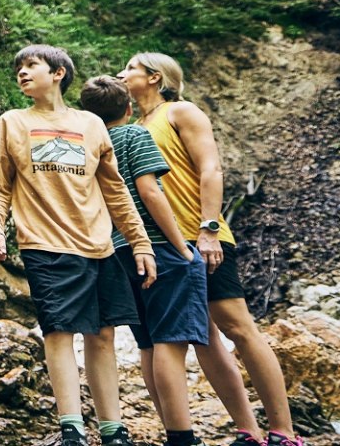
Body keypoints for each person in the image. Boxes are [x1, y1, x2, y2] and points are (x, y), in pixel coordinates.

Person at [117, 53, 303, 446]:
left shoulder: (180, 112)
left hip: (202, 238)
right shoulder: (133, 127)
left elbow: (210, 168)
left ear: (154, 77)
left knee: (238, 326)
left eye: (129, 68)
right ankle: (248, 431)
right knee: (203, 336)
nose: (121, 73)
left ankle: (284, 433)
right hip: (166, 249)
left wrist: (210, 228)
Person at [0, 45, 155, 446]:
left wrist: (141, 244)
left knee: (104, 335)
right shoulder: (13, 122)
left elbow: (115, 190)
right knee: (59, 331)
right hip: (44, 243)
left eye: (31, 66)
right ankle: (72, 428)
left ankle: (114, 430)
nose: (22, 73)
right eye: (19, 68)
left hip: (99, 244)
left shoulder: (92, 124)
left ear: (58, 73)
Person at [82, 76, 211, 446]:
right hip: (153, 245)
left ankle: (172, 427)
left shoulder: (88, 144)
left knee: (148, 344)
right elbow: (149, 191)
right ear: (127, 109)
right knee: (170, 341)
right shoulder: (134, 136)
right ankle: (182, 436)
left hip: (113, 250)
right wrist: (183, 248)